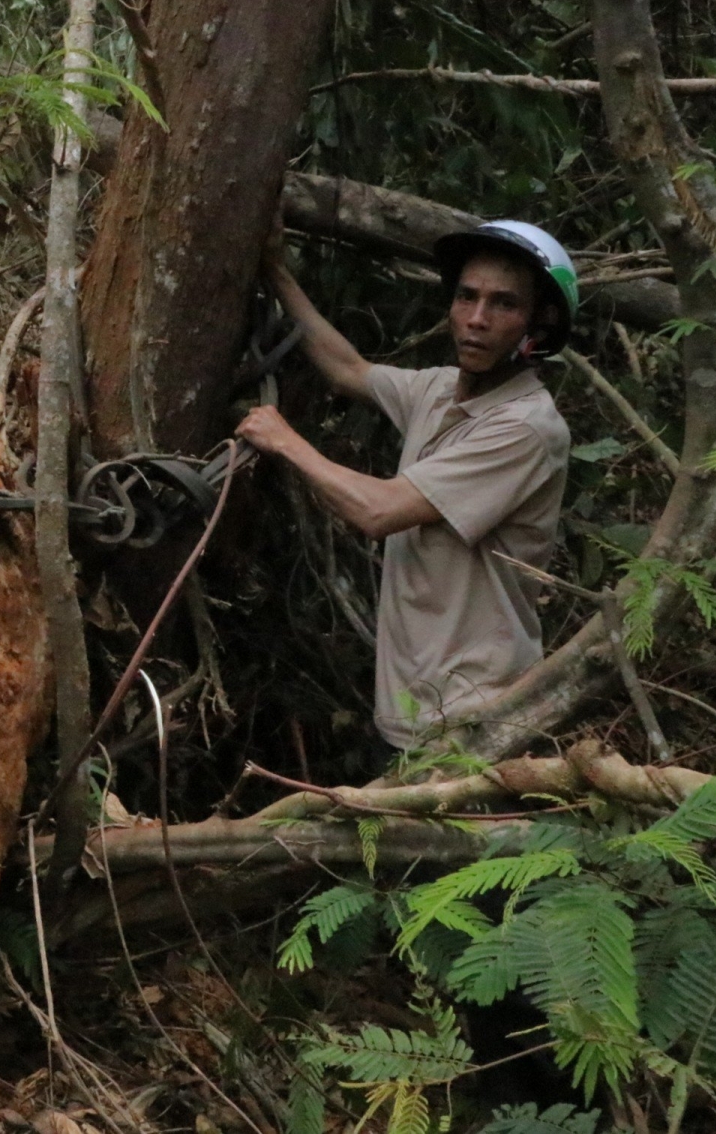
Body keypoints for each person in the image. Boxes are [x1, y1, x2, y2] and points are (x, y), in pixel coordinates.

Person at [235, 220, 576, 756]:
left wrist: (285, 441)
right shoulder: (438, 391)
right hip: (410, 712)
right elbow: (349, 369)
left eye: (503, 304)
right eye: (467, 297)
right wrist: (277, 272)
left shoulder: (525, 428)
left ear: (542, 322)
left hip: (476, 720)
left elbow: (379, 510)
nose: (477, 319)